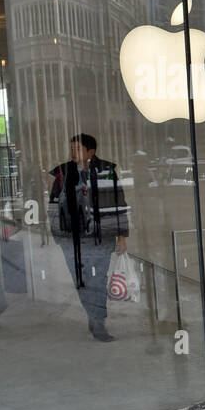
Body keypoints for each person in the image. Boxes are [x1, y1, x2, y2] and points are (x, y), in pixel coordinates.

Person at [49, 134, 128, 342]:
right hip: (71, 237)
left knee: (98, 278)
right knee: (81, 280)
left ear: (90, 152)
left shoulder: (107, 171)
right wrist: (56, 234)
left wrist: (122, 236)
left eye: (77, 149)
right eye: (71, 148)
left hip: (101, 236)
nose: (73, 153)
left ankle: (98, 321)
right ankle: (93, 314)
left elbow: (119, 202)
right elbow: (53, 206)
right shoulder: (63, 172)